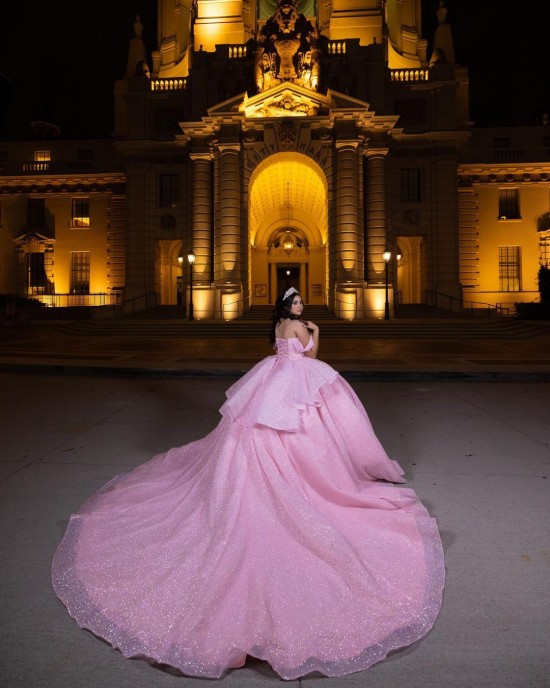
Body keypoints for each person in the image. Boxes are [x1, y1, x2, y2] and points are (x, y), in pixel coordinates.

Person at [51, 287, 445, 680]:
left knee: (255, 428)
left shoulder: (277, 325)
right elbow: (312, 355)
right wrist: (317, 329)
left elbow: (286, 351)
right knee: (305, 429)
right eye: (294, 303)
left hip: (272, 378)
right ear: (287, 308)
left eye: (298, 303)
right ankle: (306, 480)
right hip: (294, 380)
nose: (298, 307)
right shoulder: (299, 327)